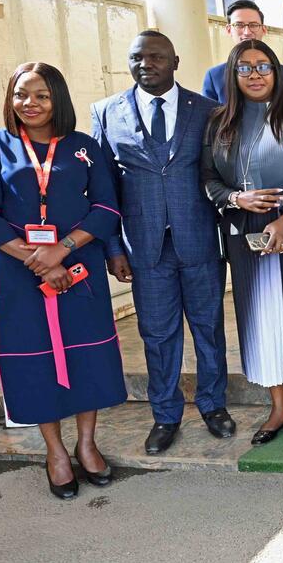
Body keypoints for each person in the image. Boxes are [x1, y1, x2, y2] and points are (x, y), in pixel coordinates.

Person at [0, 63, 126, 499]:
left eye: (41, 95)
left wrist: (62, 250)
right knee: (36, 361)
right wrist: (39, 259)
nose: (30, 103)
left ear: (57, 98)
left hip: (79, 267)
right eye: (21, 94)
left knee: (87, 356)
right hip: (19, 273)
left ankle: (87, 443)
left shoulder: (83, 147)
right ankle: (55, 451)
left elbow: (106, 207)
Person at [91, 31, 231, 455]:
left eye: (155, 57)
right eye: (137, 57)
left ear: (175, 61)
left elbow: (220, 174)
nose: (145, 64)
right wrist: (113, 248)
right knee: (156, 334)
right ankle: (166, 415)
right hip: (144, 248)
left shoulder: (207, 110)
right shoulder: (106, 112)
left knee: (208, 329)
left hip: (200, 241)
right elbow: (102, 189)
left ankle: (214, 406)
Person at [201, 40, 283, 447]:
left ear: (276, 71)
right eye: (244, 68)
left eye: (263, 66)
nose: (255, 74)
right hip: (246, 231)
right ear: (233, 75)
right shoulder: (218, 121)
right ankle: (279, 406)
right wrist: (235, 199)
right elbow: (208, 179)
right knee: (261, 319)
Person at [202, 0, 283, 104]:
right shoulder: (214, 77)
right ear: (229, 30)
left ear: (264, 29)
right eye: (239, 25)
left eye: (254, 25)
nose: (247, 32)